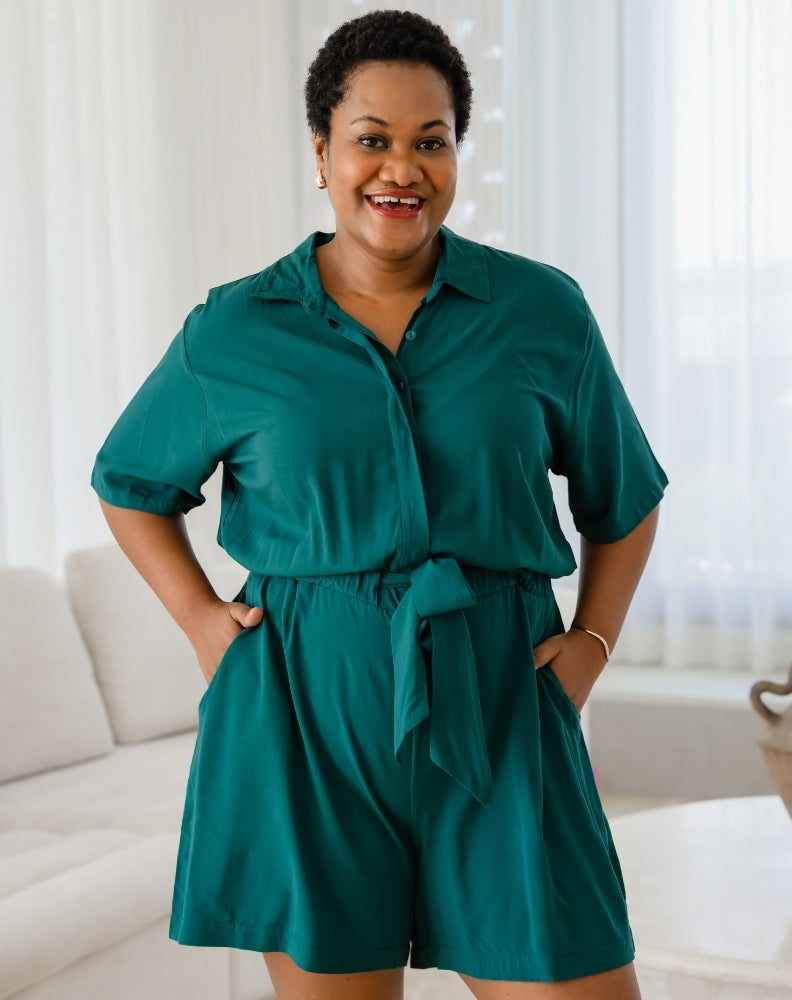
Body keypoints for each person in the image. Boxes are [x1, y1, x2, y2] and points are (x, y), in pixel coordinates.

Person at [92, 10, 667, 1000]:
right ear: (322, 152)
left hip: (502, 703)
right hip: (304, 713)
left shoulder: (542, 312)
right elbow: (132, 484)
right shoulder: (234, 328)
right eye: (372, 139)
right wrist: (200, 622)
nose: (400, 168)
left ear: (456, 155)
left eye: (429, 141)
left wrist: (594, 645)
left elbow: (625, 497)